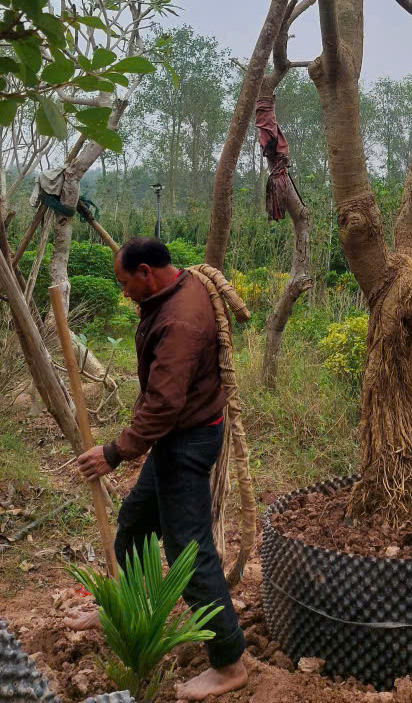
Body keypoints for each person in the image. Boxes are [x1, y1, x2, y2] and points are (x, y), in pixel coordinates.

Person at [64, 238, 247, 700]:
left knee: (189, 553)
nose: (123, 293)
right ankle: (125, 608)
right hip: (175, 437)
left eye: (125, 283)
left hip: (186, 440)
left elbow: (164, 404)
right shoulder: (176, 288)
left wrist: (114, 452)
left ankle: (229, 664)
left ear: (147, 272)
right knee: (136, 523)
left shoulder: (180, 321)